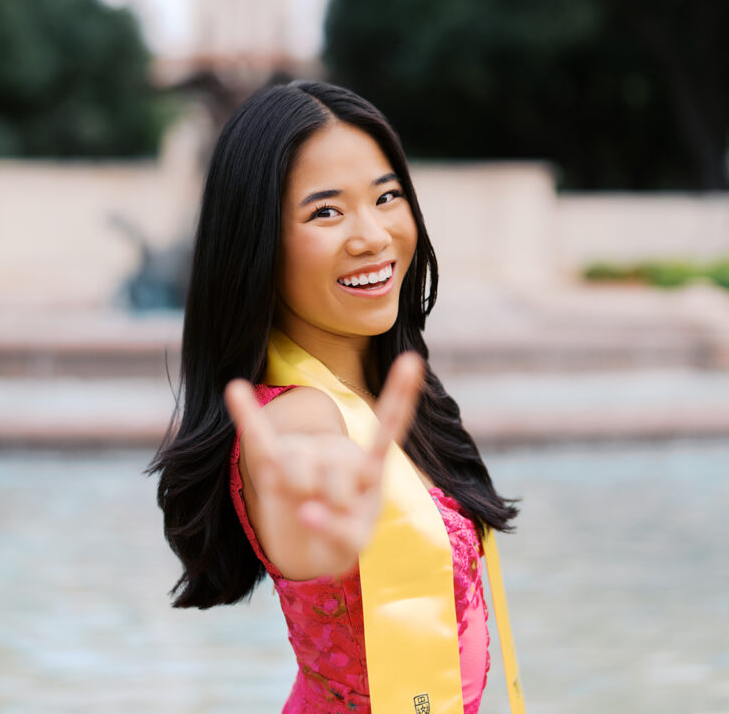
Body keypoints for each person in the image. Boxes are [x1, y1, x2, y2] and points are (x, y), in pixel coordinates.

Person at [150, 80, 518, 714]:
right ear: (257, 242)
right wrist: (317, 534)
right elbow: (308, 501)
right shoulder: (300, 417)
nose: (372, 235)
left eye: (387, 196)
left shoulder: (391, 392)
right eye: (326, 211)